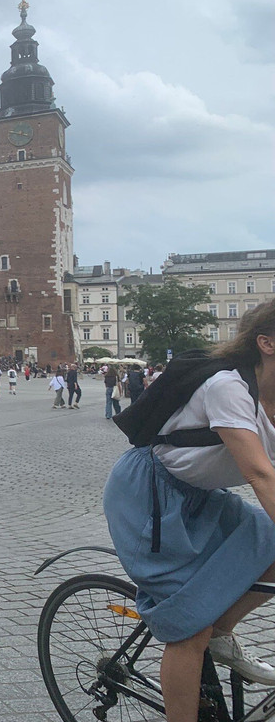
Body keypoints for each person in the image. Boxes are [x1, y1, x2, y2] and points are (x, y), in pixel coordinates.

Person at [103, 302, 275, 722]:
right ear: (267, 343)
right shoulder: (227, 387)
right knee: (190, 627)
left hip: (201, 497)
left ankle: (221, 633)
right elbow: (259, 472)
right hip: (150, 498)